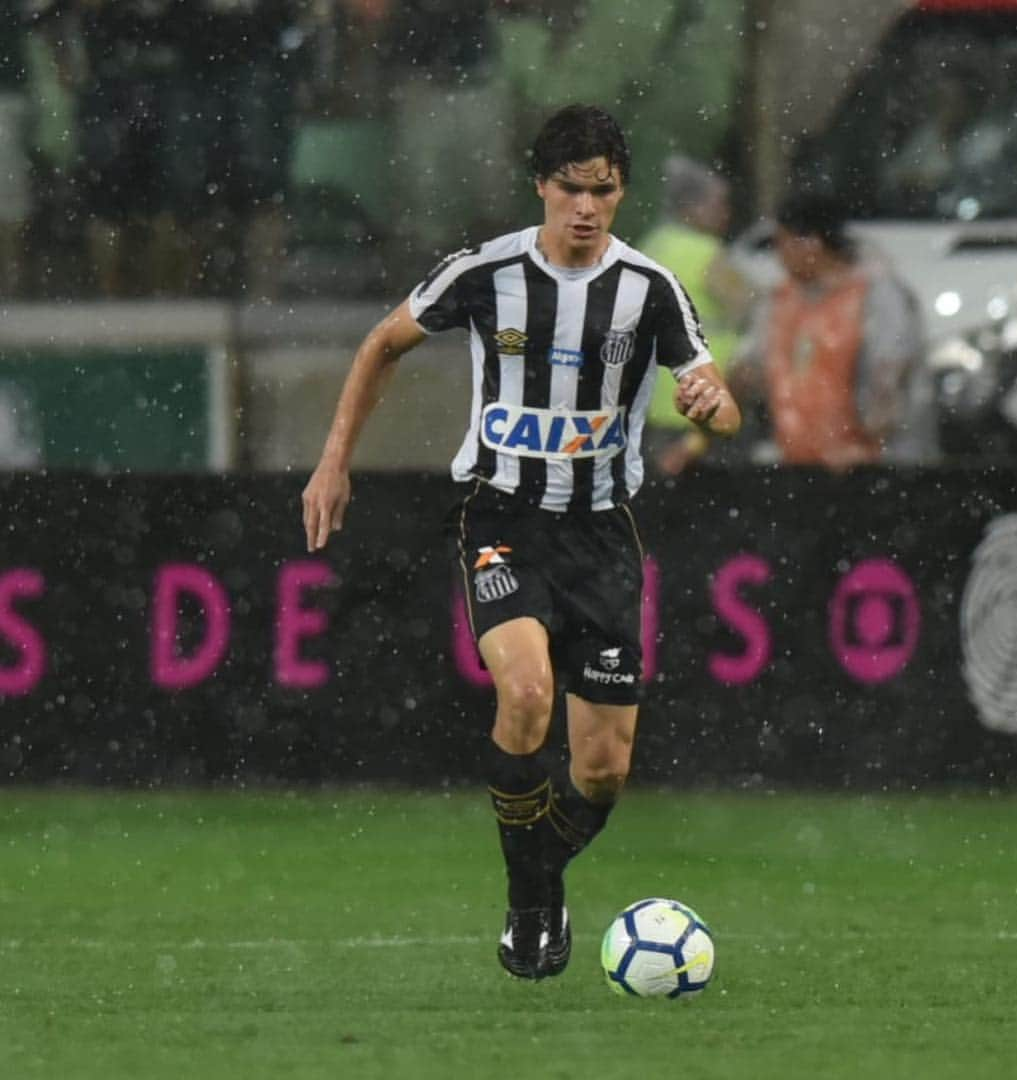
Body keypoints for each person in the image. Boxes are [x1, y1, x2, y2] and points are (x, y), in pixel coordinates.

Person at [301, 103, 740, 980]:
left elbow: (719, 397)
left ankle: (535, 883)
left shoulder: (649, 289)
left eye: (603, 191)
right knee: (528, 693)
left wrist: (710, 407)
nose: (586, 207)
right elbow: (382, 344)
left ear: (621, 191)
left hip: (604, 535)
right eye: (571, 189)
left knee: (604, 769)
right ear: (541, 185)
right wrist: (332, 462)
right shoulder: (486, 271)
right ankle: (532, 903)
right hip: (502, 517)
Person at [728, 189, 935, 468]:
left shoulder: (876, 294)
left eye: (782, 243)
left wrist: (870, 447)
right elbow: (752, 368)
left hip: (873, 469)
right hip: (801, 467)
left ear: (811, 244)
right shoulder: (782, 301)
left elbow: (892, 375)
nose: (778, 256)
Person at [638, 154, 753, 475]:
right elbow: (750, 308)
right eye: (718, 204)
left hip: (657, 405)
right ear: (691, 208)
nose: (726, 214)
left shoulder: (652, 246)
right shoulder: (707, 253)